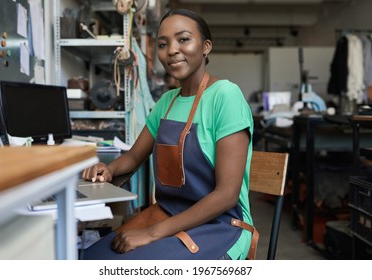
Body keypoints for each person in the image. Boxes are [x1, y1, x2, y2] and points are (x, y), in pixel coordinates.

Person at [81, 8, 256, 260]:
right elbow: (132, 158)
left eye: (183, 39)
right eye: (163, 44)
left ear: (206, 46)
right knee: (92, 256)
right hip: (170, 213)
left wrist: (152, 234)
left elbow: (227, 195)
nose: (172, 50)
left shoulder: (225, 96)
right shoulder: (167, 102)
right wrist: (109, 170)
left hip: (222, 225)